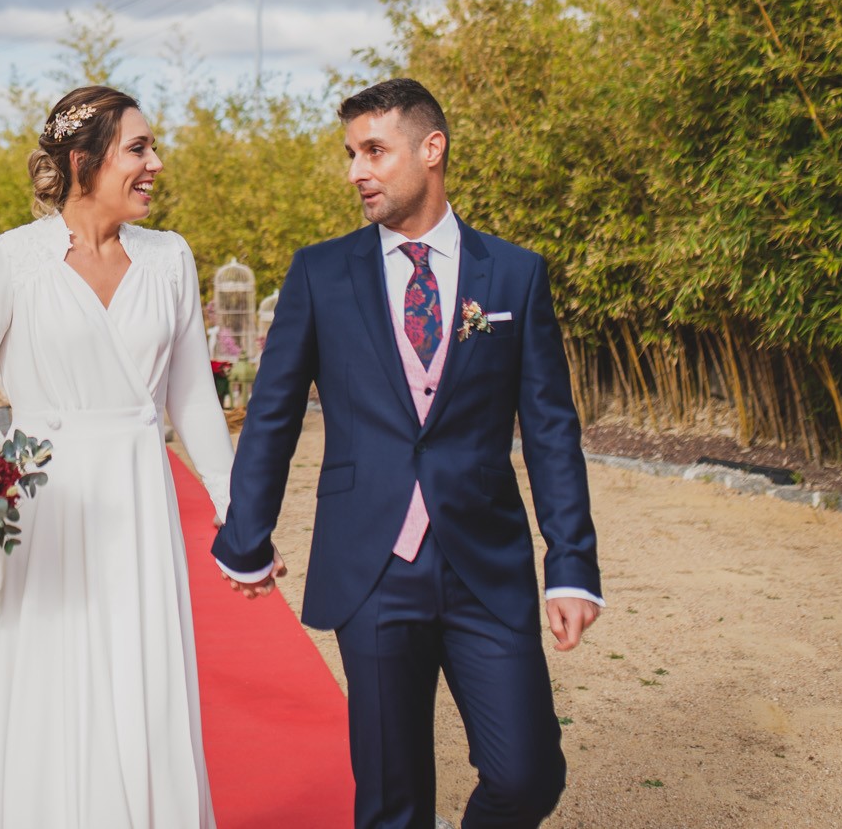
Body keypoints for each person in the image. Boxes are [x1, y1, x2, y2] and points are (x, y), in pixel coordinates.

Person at [212, 78, 604, 829]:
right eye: (351, 153)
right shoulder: (320, 273)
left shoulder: (514, 274)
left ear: (432, 149)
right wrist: (246, 537)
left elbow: (551, 425)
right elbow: (273, 413)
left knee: (527, 774)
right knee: (392, 802)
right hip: (373, 566)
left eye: (374, 151)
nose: (355, 170)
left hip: (485, 562)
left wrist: (572, 564)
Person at [0, 85, 235, 829]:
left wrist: (239, 513)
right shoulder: (9, 257)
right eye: (139, 148)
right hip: (39, 505)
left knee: (139, 682)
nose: (155, 162)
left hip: (137, 498)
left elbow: (193, 399)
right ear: (82, 161)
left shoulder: (171, 259)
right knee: (42, 682)